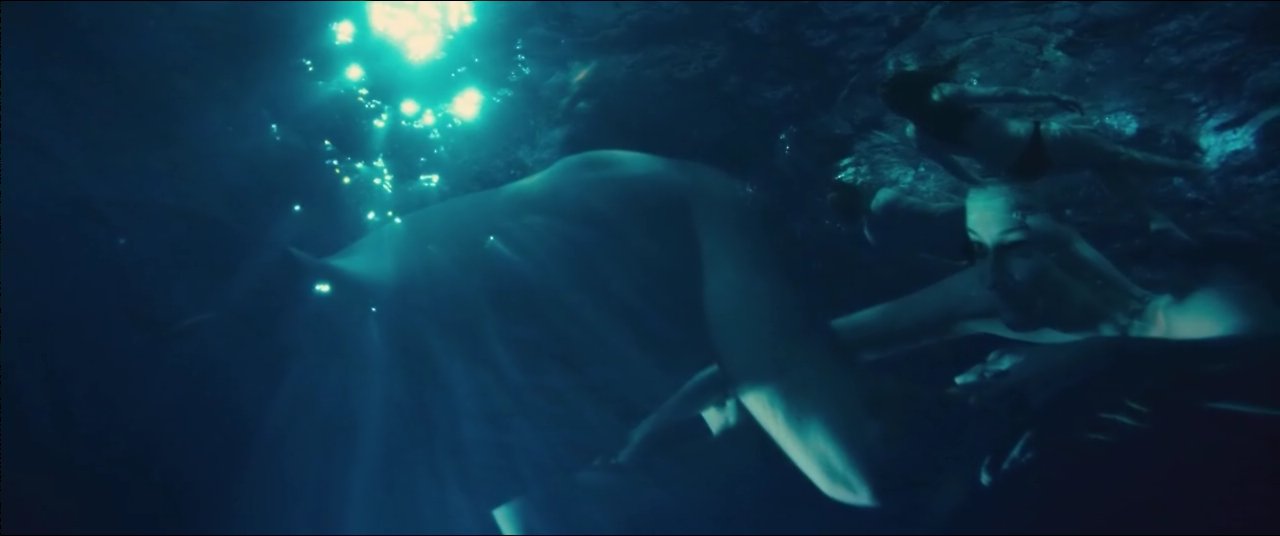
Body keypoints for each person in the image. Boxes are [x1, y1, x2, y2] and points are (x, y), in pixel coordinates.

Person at [877, 56, 1205, 236]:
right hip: (1040, 138)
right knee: (1120, 156)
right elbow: (1003, 94)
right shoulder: (944, 94)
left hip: (1021, 169)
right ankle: (1193, 172)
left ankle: (1152, 217)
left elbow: (958, 171)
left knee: (1101, 161)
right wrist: (1051, 95)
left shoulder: (916, 134)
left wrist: (990, 185)